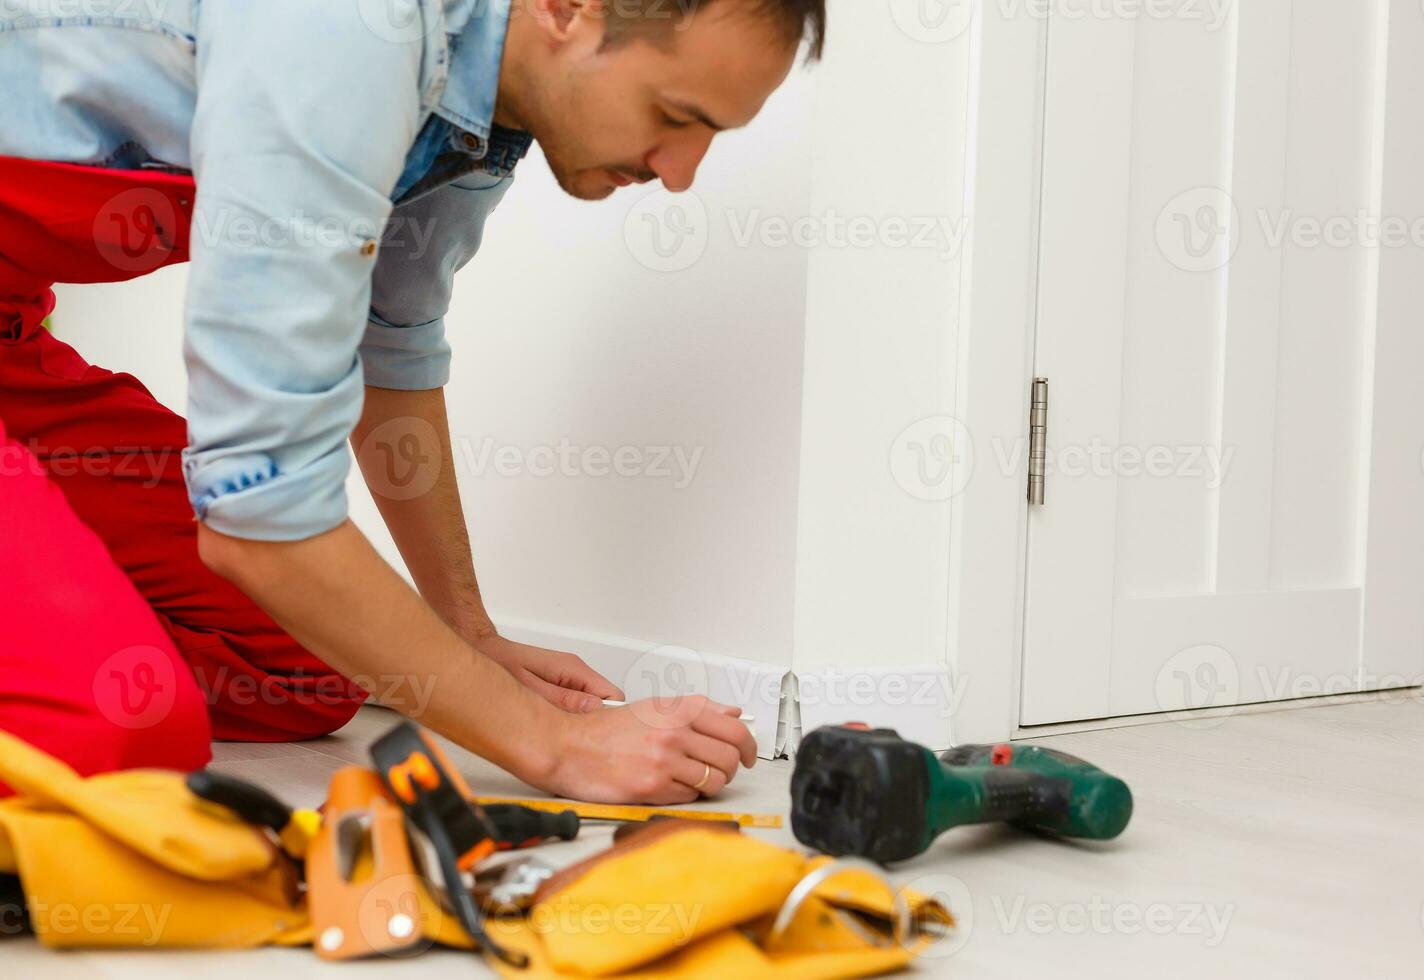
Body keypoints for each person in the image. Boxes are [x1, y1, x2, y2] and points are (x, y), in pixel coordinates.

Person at [0, 0, 825, 803]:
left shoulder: (483, 96)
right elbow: (259, 506)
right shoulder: (341, 34)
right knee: (109, 726)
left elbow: (386, 344)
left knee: (307, 670)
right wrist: (556, 745)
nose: (680, 174)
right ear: (568, 9)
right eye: (675, 114)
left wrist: (465, 635)